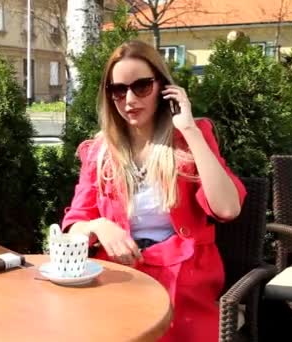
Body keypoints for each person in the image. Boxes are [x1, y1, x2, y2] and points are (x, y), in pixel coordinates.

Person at [61, 40, 247, 341]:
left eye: (141, 86)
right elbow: (73, 230)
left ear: (162, 87)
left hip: (181, 272)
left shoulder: (189, 139)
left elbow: (227, 209)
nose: (129, 99)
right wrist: (98, 226)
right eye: (119, 90)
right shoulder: (99, 152)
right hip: (117, 272)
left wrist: (189, 128)